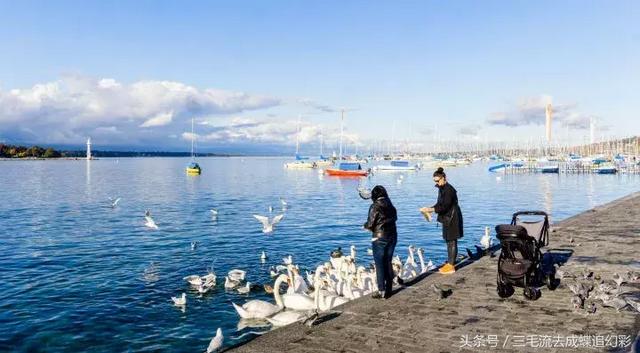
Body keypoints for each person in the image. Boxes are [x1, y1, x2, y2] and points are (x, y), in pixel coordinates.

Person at [420, 167, 463, 274]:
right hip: (446, 217)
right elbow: (439, 204)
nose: (437, 183)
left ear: (444, 178)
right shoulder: (442, 188)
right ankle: (449, 263)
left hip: (453, 217)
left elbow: (445, 206)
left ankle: (451, 266)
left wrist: (432, 209)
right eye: (435, 181)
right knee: (448, 240)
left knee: (452, 240)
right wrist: (430, 209)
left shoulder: (449, 190)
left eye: (438, 181)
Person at [363, 185, 398, 299]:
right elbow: (394, 219)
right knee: (388, 262)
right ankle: (389, 289)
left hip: (379, 238)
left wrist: (365, 226)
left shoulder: (375, 206)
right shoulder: (391, 205)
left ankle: (381, 290)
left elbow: (370, 223)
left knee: (379, 265)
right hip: (392, 236)